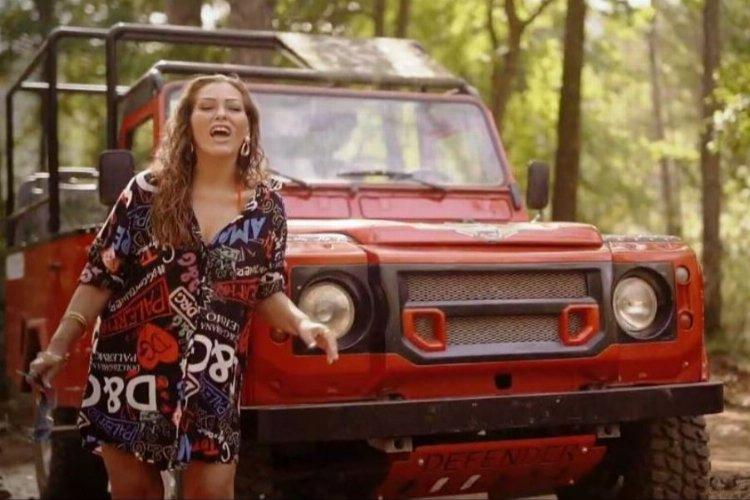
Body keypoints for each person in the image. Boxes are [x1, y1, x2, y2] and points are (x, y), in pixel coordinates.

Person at [27, 74, 339, 499]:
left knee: (212, 490)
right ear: (188, 125)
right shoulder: (145, 194)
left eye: (233, 108)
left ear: (248, 127)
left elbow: (266, 289)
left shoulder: (267, 207)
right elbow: (100, 275)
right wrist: (57, 348)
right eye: (207, 107)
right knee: (136, 492)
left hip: (214, 377)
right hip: (130, 372)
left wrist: (305, 324)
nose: (220, 115)